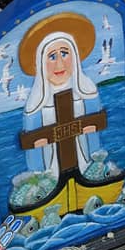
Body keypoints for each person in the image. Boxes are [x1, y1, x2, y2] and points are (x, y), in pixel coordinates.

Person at [19, 13, 102, 178]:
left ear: (75, 56)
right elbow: (32, 144)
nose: (60, 64)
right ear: (40, 62)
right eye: (52, 56)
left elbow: (95, 130)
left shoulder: (87, 91)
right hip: (51, 173)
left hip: (85, 165)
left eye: (64, 54)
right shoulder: (35, 104)